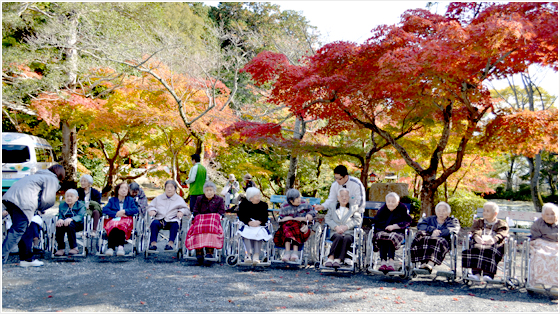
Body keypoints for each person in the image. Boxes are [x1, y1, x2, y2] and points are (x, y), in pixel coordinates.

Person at [2, 164, 65, 267]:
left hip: (10, 198)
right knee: (18, 230)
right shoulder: (51, 179)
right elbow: (48, 200)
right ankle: (2, 256)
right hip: (23, 203)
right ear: (60, 174)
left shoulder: (37, 175)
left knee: (27, 229)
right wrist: (40, 209)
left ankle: (26, 258)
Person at [462, 201, 509, 282]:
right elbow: (475, 230)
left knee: (490, 249)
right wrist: (476, 237)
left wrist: (494, 239)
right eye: (484, 210)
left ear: (495, 213)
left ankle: (488, 275)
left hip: (494, 244)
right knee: (476, 248)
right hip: (480, 242)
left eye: (488, 211)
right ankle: (476, 274)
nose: (485, 213)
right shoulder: (479, 222)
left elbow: (502, 233)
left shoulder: (501, 223)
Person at [410, 202, 460, 272]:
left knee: (437, 241)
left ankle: (430, 264)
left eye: (444, 211)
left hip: (444, 242)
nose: (441, 213)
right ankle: (423, 263)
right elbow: (420, 225)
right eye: (439, 211)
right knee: (423, 239)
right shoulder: (430, 219)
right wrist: (432, 230)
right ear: (436, 212)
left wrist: (438, 233)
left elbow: (452, 229)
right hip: (429, 239)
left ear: (448, 213)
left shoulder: (452, 221)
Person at [185, 182, 225, 266]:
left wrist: (217, 216)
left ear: (214, 191)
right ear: (204, 191)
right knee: (198, 229)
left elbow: (221, 211)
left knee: (211, 229)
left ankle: (209, 252)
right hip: (201, 220)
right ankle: (199, 252)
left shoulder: (219, 200)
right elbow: (195, 210)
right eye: (207, 190)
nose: (209, 192)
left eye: (211, 190)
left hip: (213, 221)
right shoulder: (199, 198)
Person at [370, 192, 412, 272]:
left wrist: (394, 226)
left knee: (391, 238)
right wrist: (384, 228)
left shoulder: (402, 208)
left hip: (398, 232)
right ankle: (383, 263)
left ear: (398, 202)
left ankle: (391, 262)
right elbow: (376, 221)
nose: (391, 204)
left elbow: (407, 221)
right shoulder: (383, 209)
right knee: (381, 237)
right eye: (388, 201)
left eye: (393, 202)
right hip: (384, 230)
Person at [273, 188, 317, 262]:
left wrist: (309, 215)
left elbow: (312, 211)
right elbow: (280, 219)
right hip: (287, 227)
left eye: (299, 197)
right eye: (296, 198)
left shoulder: (304, 203)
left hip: (301, 226)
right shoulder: (284, 206)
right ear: (290, 200)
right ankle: (287, 253)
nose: (299, 199)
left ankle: (294, 253)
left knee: (295, 228)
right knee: (288, 228)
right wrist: (287, 218)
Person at [324, 188, 363, 267]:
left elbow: (357, 220)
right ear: (338, 197)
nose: (344, 198)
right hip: (335, 232)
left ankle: (338, 259)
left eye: (346, 196)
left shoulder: (354, 208)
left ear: (349, 197)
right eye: (342, 196)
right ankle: (331, 258)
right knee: (338, 237)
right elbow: (328, 218)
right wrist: (336, 227)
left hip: (349, 232)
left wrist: (346, 227)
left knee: (347, 238)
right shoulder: (332, 206)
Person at [147, 180, 189, 251]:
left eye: (171, 187)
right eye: (167, 187)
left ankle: (170, 243)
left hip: (172, 219)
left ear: (175, 189)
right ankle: (153, 243)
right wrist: (152, 210)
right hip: (160, 219)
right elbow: (151, 206)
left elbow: (186, 210)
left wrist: (181, 211)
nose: (169, 189)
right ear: (165, 188)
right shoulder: (158, 198)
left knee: (175, 224)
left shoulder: (179, 199)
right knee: (154, 223)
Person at [236, 187, 272, 265]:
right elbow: (241, 216)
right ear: (250, 198)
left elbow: (265, 217)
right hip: (247, 225)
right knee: (246, 234)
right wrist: (249, 222)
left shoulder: (263, 205)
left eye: (259, 196)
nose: (259, 197)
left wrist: (259, 221)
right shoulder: (243, 205)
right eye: (257, 196)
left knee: (259, 234)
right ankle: (248, 255)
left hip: (259, 225)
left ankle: (256, 256)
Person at [102, 182, 139, 256]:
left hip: (126, 218)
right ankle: (110, 248)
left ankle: (120, 247)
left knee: (122, 224)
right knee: (113, 224)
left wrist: (125, 211)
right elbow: (104, 209)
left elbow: (136, 210)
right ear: (118, 190)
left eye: (126, 188)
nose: (124, 190)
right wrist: (116, 214)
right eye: (122, 188)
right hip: (115, 218)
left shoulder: (130, 200)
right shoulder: (112, 200)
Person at [528, 203, 558, 288]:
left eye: (552, 214)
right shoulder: (538, 224)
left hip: (556, 245)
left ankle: (555, 285)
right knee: (540, 255)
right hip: (542, 244)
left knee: (556, 257)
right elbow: (535, 237)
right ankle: (538, 282)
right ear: (542, 215)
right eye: (547, 214)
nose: (550, 216)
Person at [54, 189, 86, 256]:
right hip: (65, 224)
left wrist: (71, 219)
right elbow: (60, 215)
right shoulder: (62, 205)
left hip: (78, 224)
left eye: (71, 196)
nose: (69, 198)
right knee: (59, 224)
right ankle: (60, 248)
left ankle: (74, 248)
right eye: (67, 196)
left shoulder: (81, 205)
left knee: (70, 224)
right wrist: (60, 219)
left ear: (76, 198)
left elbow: (80, 216)